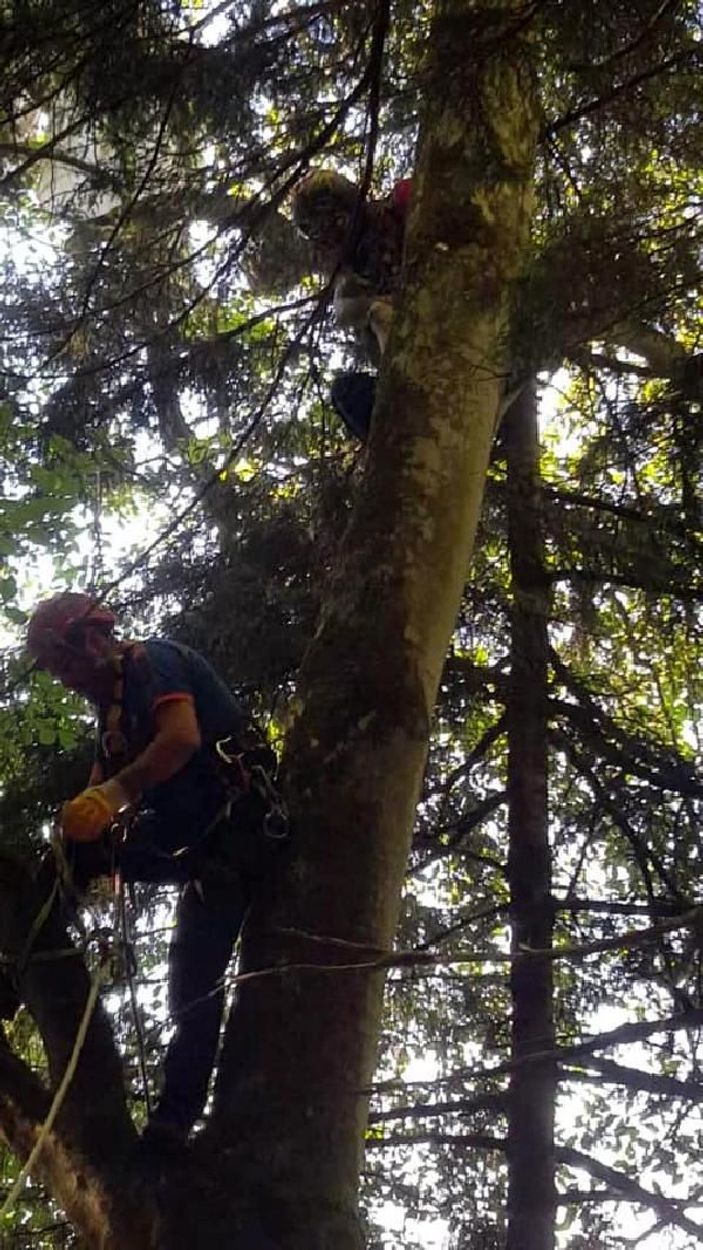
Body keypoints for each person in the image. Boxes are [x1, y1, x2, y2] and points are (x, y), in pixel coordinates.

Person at [26, 591, 283, 1146]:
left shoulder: (153, 662)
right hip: (195, 849)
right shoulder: (113, 714)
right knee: (79, 851)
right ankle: (19, 965)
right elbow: (97, 789)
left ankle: (173, 1121)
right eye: (56, 671)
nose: (66, 678)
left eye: (64, 663)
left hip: (236, 833)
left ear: (93, 639)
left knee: (193, 989)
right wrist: (84, 816)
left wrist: (115, 793)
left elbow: (183, 737)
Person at [291, 169, 412, 440]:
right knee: (347, 392)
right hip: (404, 368)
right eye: (320, 233)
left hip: (447, 322)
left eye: (333, 221)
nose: (332, 236)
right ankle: (394, 443)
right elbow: (343, 310)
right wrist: (375, 305)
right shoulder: (350, 272)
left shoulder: (398, 208)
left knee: (380, 314)